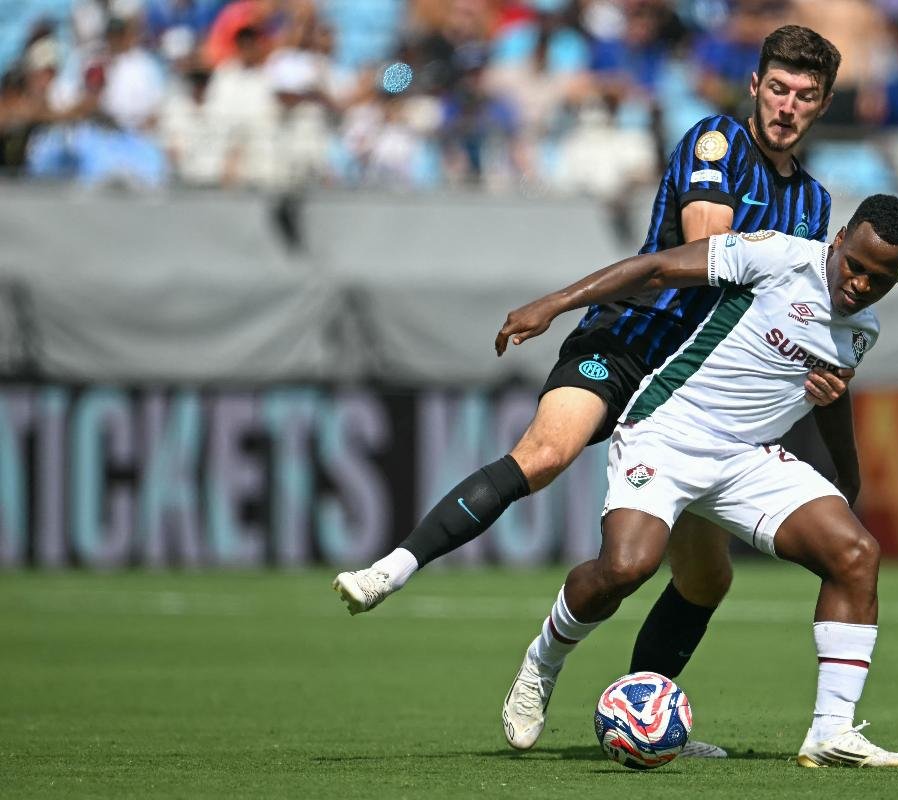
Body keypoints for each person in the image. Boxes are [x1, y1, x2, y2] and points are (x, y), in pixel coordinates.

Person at [334, 25, 850, 755]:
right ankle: (394, 569)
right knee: (546, 454)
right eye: (777, 89)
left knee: (705, 580)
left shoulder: (815, 204)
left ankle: (647, 713)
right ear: (755, 87)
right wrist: (555, 303)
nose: (787, 106)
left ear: (822, 105)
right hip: (632, 338)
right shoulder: (716, 143)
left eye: (804, 96)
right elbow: (702, 252)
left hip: (698, 394)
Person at [497, 194, 898, 767]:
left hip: (746, 459)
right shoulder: (777, 257)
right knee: (626, 567)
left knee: (855, 552)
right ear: (840, 237)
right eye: (857, 265)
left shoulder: (861, 329)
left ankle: (830, 731)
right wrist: (553, 304)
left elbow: (831, 395)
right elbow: (655, 267)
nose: (862, 285)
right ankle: (541, 663)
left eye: (882, 278)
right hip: (668, 432)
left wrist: (848, 474)